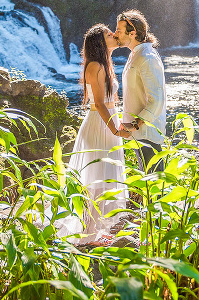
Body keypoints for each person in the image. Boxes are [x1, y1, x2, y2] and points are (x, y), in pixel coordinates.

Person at [57, 23, 128, 246]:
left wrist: (120, 123)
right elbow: (98, 103)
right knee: (95, 180)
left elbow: (112, 100)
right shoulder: (94, 66)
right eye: (110, 34)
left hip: (109, 121)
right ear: (100, 42)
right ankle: (87, 234)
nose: (114, 35)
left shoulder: (105, 64)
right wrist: (115, 129)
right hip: (99, 124)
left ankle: (94, 231)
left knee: (105, 177)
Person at [113, 9, 167, 173]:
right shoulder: (136, 54)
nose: (115, 34)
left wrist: (135, 124)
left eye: (119, 31)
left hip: (148, 134)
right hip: (139, 134)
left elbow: (157, 100)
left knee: (154, 186)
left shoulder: (147, 57)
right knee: (148, 185)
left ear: (132, 33)